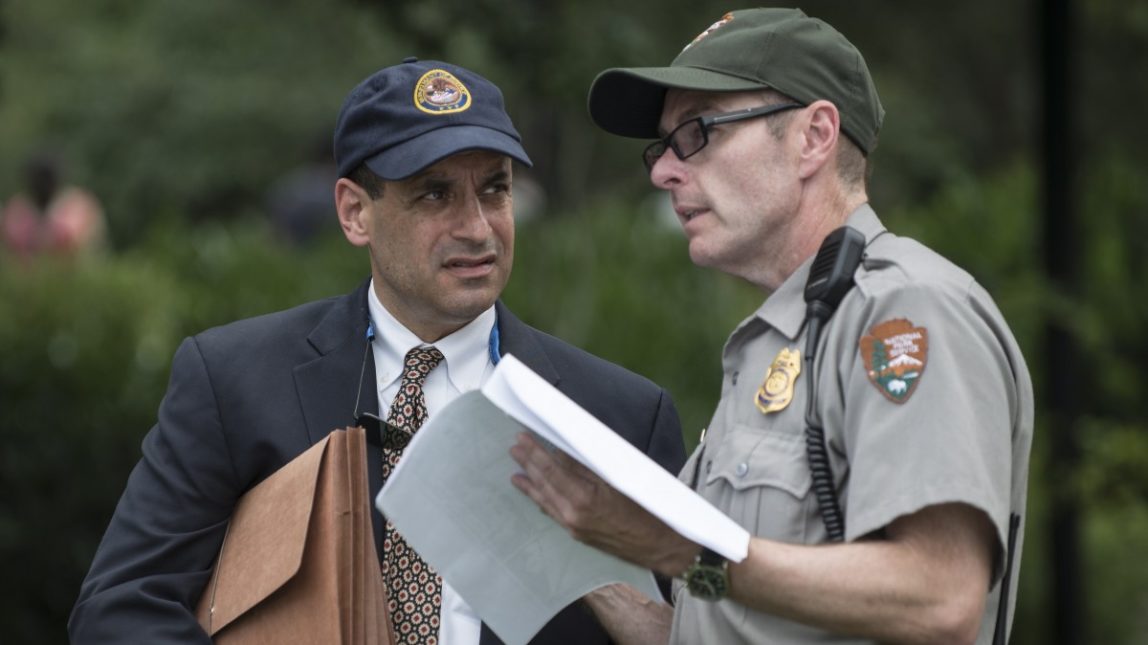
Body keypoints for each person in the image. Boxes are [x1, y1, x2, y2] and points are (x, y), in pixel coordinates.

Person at [68, 58, 687, 645]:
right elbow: (121, 606)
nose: (477, 226)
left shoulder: (621, 416)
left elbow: (693, 629)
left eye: (495, 190)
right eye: (435, 195)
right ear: (355, 212)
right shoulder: (236, 381)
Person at [510, 8, 1034, 644]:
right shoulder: (784, 336)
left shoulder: (902, 310)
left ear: (813, 137)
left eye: (697, 132)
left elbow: (940, 597)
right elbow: (728, 624)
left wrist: (679, 551)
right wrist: (578, 552)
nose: (662, 171)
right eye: (663, 145)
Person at [1, 151, 106, 261]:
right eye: (38, 180)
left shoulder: (77, 204)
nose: (41, 185)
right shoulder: (19, 208)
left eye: (45, 179)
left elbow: (68, 239)